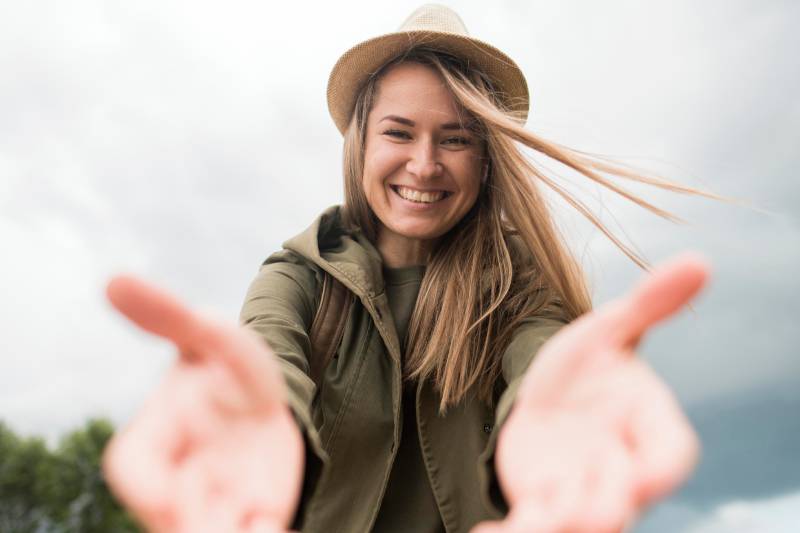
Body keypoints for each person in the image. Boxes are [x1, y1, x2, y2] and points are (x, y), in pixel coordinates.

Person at [102, 5, 711, 533]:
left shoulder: (521, 286)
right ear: (360, 141)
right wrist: (250, 415)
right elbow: (267, 362)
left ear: (486, 158)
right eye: (399, 132)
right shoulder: (296, 277)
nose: (424, 165)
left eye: (455, 139)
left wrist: (564, 416)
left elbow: (544, 361)